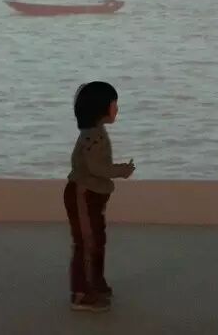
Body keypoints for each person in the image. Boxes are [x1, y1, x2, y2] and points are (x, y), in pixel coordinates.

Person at [64, 81, 135, 312]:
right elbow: (97, 168)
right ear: (101, 108)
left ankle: (95, 282)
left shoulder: (96, 133)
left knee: (96, 239)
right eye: (114, 104)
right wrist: (121, 171)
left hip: (93, 195)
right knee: (87, 242)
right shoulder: (92, 137)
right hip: (83, 194)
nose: (117, 108)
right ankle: (82, 293)